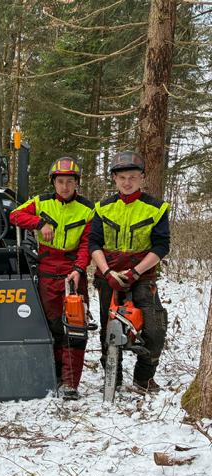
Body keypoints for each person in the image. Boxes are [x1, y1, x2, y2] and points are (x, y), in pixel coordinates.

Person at [10, 157, 94, 400]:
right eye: (60, 182)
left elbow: (88, 244)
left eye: (69, 182)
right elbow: (15, 215)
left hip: (73, 273)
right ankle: (54, 375)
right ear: (53, 182)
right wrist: (39, 223)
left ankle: (70, 383)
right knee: (53, 326)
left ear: (77, 183)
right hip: (47, 272)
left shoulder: (88, 209)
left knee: (75, 326)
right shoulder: (41, 202)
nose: (65, 186)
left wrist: (78, 269)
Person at [89, 151, 169, 393]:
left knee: (155, 328)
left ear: (142, 177)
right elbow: (93, 243)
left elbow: (161, 246)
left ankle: (144, 378)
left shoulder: (156, 208)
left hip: (143, 276)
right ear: (114, 178)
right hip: (108, 277)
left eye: (132, 177)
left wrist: (135, 272)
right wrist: (107, 272)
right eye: (122, 177)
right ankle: (112, 378)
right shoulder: (102, 208)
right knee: (108, 329)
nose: (127, 182)